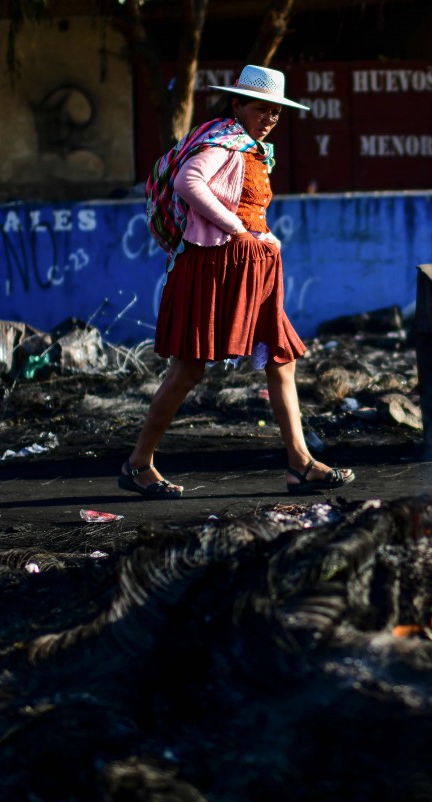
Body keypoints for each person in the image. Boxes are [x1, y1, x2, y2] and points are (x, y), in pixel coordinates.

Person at [120, 64, 355, 499]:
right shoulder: (222, 140)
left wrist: (262, 239)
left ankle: (300, 464)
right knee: (187, 370)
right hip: (213, 269)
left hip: (253, 271)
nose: (270, 118)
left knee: (282, 358)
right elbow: (190, 181)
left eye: (276, 112)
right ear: (237, 105)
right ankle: (138, 464)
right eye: (262, 109)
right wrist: (238, 230)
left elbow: (249, 209)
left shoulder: (253, 150)